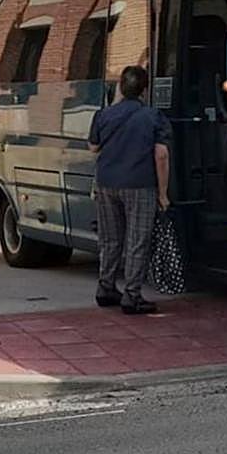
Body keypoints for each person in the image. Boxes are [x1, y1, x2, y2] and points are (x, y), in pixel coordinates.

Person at [88, 65, 172, 315]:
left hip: (106, 183)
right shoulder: (153, 116)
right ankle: (132, 295)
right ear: (145, 90)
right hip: (139, 184)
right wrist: (163, 194)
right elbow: (161, 155)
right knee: (137, 240)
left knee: (110, 239)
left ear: (121, 88)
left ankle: (106, 287)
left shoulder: (103, 115)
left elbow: (93, 147)